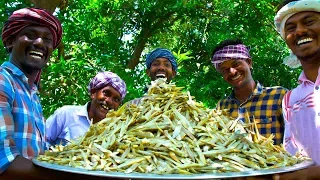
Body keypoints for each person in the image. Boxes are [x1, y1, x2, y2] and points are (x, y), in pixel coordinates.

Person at [0, 8, 121, 180]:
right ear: (11, 41)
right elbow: (4, 161)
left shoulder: (32, 94)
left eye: (47, 40)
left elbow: (38, 155)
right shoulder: (3, 82)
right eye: (31, 34)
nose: (40, 43)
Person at [271, 0, 320, 179]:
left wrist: (306, 175)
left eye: (309, 22)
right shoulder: (291, 99)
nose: (299, 31)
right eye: (290, 28)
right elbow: (292, 155)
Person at [211, 39, 288, 145]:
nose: (232, 72)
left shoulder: (279, 96)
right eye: (225, 70)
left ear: (249, 63)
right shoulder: (222, 106)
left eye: (236, 64)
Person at [46, 71, 127, 146]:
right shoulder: (66, 115)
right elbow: (41, 141)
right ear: (93, 93)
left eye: (116, 99)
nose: (109, 101)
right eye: (106, 93)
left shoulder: (116, 131)